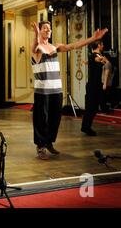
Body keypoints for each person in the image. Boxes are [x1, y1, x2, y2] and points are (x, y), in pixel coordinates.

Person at [31, 21, 108, 160]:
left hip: (56, 89)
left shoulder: (54, 47)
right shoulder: (37, 49)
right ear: (40, 31)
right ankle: (40, 147)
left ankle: (48, 142)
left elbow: (73, 46)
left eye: (49, 28)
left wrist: (93, 38)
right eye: (44, 28)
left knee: (55, 119)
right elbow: (36, 47)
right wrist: (36, 34)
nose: (48, 30)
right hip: (42, 91)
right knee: (41, 119)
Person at [81, 41, 110, 136]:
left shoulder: (96, 55)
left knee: (93, 108)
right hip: (93, 86)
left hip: (96, 85)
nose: (103, 46)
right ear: (98, 45)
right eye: (102, 44)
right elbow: (98, 59)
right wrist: (103, 59)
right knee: (91, 108)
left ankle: (86, 127)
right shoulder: (93, 55)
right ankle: (86, 127)